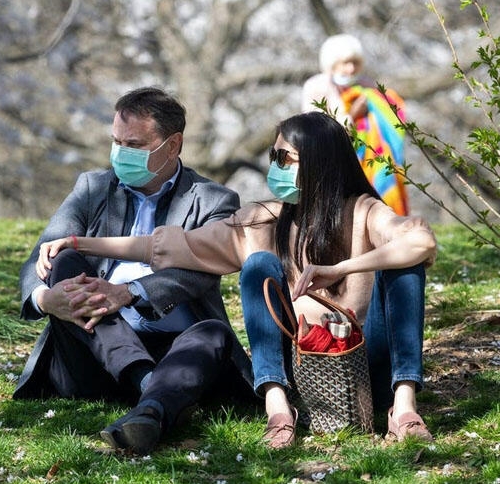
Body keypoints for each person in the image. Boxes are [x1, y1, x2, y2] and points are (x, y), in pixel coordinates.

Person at [37, 112, 437, 449]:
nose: (274, 166)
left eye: (285, 157)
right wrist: (77, 241)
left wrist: (341, 269)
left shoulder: (365, 212)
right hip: (301, 367)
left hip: (366, 366)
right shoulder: (263, 219)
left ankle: (403, 407)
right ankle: (278, 408)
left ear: (319, 162)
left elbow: (420, 240)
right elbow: (168, 246)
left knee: (406, 266)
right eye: (272, 156)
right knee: (258, 264)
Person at [14, 86, 254, 455]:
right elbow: (41, 257)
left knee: (213, 333)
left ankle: (150, 412)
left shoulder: (213, 200)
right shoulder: (91, 187)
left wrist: (127, 293)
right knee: (65, 260)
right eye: (116, 141)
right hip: (94, 348)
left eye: (135, 144)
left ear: (172, 146)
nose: (120, 153)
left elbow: (197, 273)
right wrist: (46, 299)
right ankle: (152, 388)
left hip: (175, 350)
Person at [302, 34, 409, 215]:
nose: (350, 69)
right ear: (332, 63)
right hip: (334, 164)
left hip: (372, 161)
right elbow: (315, 130)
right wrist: (352, 115)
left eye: (355, 63)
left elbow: (388, 115)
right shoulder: (316, 87)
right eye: (344, 63)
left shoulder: (367, 85)